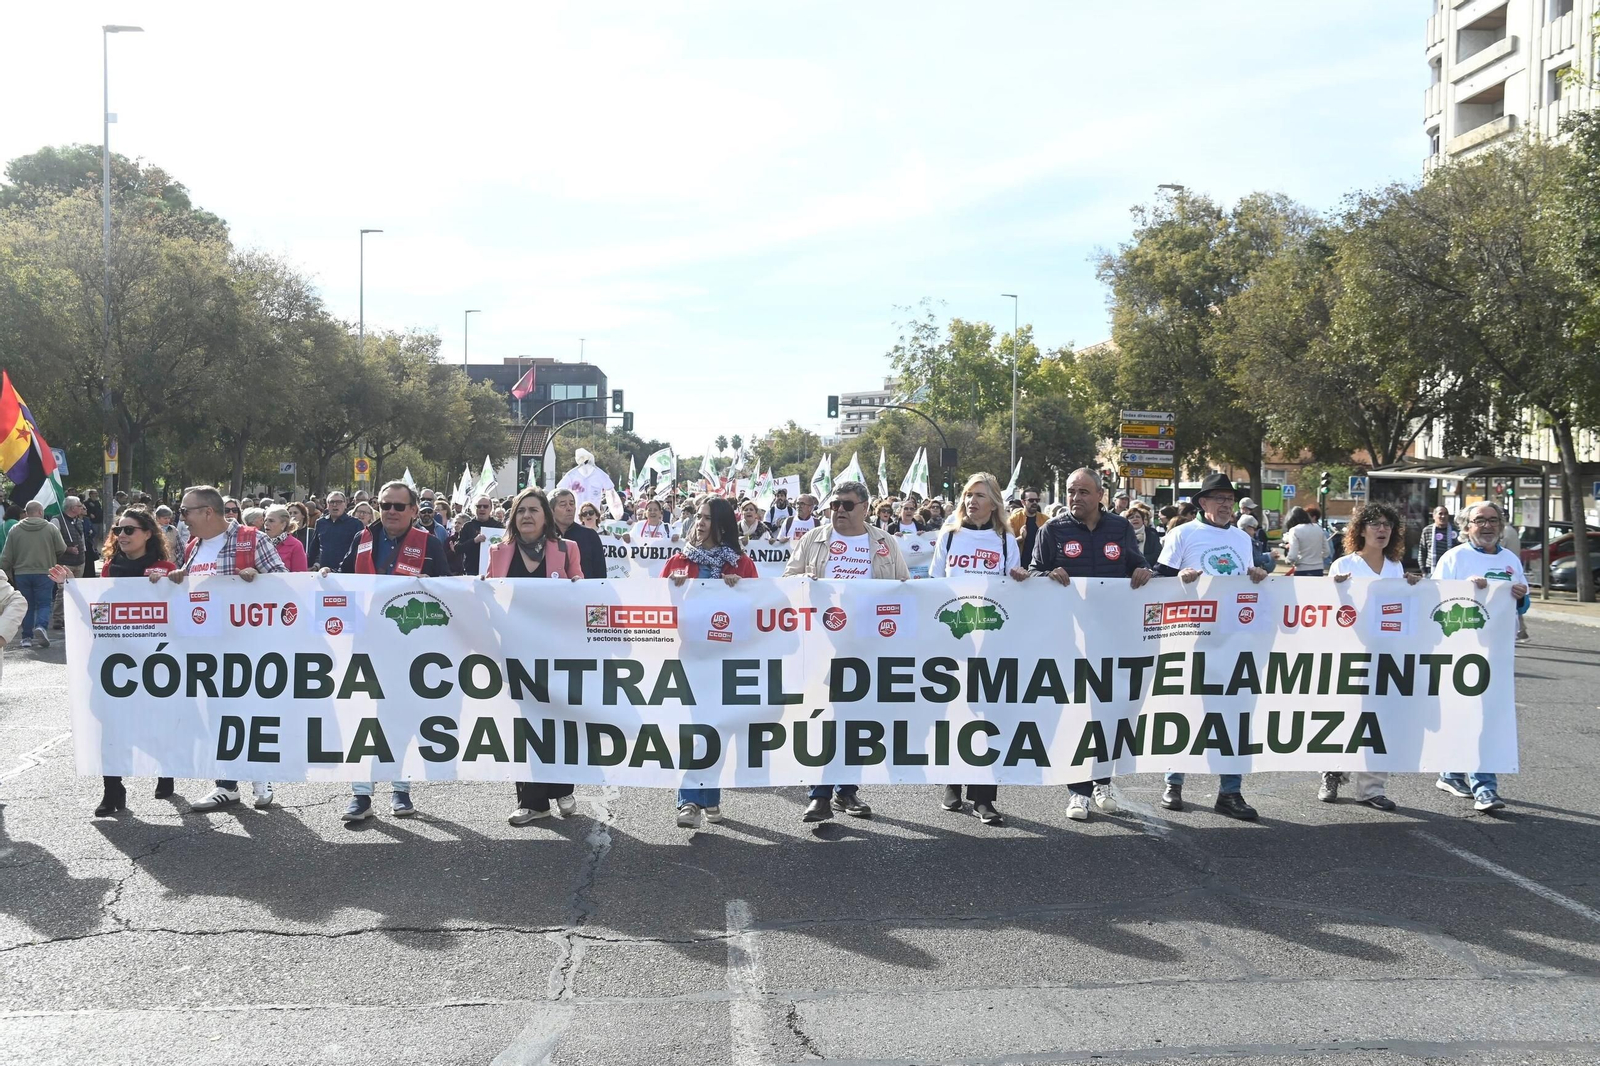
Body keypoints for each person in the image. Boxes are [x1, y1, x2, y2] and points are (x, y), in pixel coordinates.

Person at [320, 481, 450, 822]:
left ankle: (400, 789)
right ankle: (360, 796)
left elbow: (452, 591)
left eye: (398, 506)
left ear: (412, 510)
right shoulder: (362, 538)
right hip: (365, 644)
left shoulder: (430, 543)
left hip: (410, 646)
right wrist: (326, 576)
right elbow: (346, 575)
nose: (391, 511)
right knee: (363, 719)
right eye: (385, 505)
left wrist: (430, 585)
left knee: (401, 719)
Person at [1031, 468, 1153, 822]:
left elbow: (1137, 564)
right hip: (1071, 641)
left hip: (1113, 638)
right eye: (1071, 491)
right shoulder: (1052, 530)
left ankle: (1102, 780)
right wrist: (1045, 575)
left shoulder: (1120, 528)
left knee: (1109, 713)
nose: (1076, 498)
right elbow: (1034, 571)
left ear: (1100, 494)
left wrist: (1144, 571)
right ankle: (1077, 790)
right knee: (1077, 714)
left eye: (1084, 492)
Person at [783, 480, 908, 822]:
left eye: (847, 505)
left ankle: (847, 791)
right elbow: (788, 579)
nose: (839, 510)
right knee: (824, 717)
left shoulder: (884, 543)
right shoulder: (813, 540)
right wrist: (803, 582)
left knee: (856, 719)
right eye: (835, 504)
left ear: (865, 507)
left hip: (869, 644)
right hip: (823, 643)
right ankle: (818, 795)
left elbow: (904, 588)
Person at [163, 485, 287, 813]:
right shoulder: (193, 546)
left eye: (186, 511)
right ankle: (227, 785)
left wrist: (258, 575)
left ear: (208, 512)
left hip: (248, 645)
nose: (183, 517)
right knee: (217, 715)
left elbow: (286, 582)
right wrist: (179, 577)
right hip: (206, 647)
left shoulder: (252, 538)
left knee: (249, 711)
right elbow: (193, 593)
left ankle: (259, 772)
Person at [1153, 472, 1268, 820]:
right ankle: (1174, 783)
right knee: (1187, 711)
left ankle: (1230, 792)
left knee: (1234, 715)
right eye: (1219, 499)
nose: (1226, 506)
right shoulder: (1182, 534)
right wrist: (1178, 579)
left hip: (1234, 638)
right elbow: (1157, 581)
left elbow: (1246, 580)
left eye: (1230, 501)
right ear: (1203, 503)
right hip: (1191, 638)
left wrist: (1256, 577)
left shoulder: (1241, 538)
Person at [49, 508, 176, 815]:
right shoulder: (108, 569)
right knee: (110, 724)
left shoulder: (165, 568)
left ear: (148, 533)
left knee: (155, 721)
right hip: (112, 660)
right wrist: (72, 588)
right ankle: (113, 790)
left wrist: (168, 586)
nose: (122, 536)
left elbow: (178, 615)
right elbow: (96, 613)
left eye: (129, 530)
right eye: (118, 530)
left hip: (152, 661)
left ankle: (166, 768)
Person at [930, 473, 1030, 826]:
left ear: (994, 503)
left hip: (991, 638)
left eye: (980, 496)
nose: (972, 502)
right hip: (954, 637)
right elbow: (934, 584)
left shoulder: (1005, 540)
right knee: (954, 712)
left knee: (988, 714)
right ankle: (952, 782)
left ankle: (984, 794)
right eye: (968, 495)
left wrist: (1020, 577)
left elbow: (1012, 587)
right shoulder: (950, 535)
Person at [487, 487, 585, 826]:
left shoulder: (567, 548)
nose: (526, 516)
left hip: (557, 651)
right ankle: (532, 801)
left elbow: (582, 593)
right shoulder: (499, 552)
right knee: (525, 723)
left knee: (559, 720)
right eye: (520, 510)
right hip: (515, 652)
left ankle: (561, 786)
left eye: (533, 510)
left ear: (546, 516)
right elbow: (485, 595)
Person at [1315, 503, 1423, 812]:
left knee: (1379, 722)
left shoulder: (1395, 567)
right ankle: (1332, 773)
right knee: (1345, 717)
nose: (1382, 529)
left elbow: (1400, 609)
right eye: (1375, 524)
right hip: (1351, 655)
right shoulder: (1344, 566)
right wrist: (1332, 590)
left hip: (1386, 655)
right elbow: (1328, 610)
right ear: (1360, 530)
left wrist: (1411, 588)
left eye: (1388, 525)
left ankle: (1372, 788)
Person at [661, 496, 759, 828]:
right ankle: (689, 801)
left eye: (707, 518)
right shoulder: (678, 562)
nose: (699, 523)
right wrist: (672, 590)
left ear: (722, 526)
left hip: (727, 660)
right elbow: (657, 608)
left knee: (716, 730)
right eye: (697, 517)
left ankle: (710, 795)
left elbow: (760, 608)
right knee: (695, 728)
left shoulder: (741, 565)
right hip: (691, 656)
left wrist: (740, 591)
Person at [1433, 500, 1528, 813]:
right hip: (1461, 652)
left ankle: (1450, 773)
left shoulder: (1511, 559)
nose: (1487, 525)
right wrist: (1465, 589)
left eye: (1493, 519)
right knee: (1475, 715)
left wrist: (1519, 598)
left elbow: (1522, 605)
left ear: (1500, 525)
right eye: (1479, 520)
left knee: (1482, 715)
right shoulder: (1454, 558)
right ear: (1466, 526)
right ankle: (1485, 789)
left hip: (1497, 653)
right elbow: (1433, 600)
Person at [0, 501, 67, 649]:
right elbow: (62, 548)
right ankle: (41, 627)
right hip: (45, 571)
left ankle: (26, 637)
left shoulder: (15, 529)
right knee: (44, 603)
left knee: (26, 605)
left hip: (22, 573)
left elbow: (6, 556)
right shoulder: (50, 528)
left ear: (26, 513)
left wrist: (5, 571)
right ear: (40, 512)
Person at [49, 496, 88, 631]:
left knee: (76, 592)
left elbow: (81, 538)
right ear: (72, 508)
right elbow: (52, 540)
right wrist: (67, 549)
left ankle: (73, 616)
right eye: (79, 505)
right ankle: (58, 619)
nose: (81, 507)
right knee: (62, 592)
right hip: (65, 562)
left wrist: (84, 552)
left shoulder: (78, 521)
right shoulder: (57, 520)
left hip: (79, 561)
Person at [549, 488, 607, 579]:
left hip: (585, 591)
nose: (569, 508)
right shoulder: (543, 536)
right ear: (551, 510)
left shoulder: (590, 535)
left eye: (572, 504)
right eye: (563, 505)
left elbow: (600, 575)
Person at [314, 492, 364, 579]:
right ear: (327, 505)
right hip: (324, 574)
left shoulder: (355, 524)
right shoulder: (321, 523)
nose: (335, 505)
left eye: (339, 502)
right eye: (331, 502)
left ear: (345, 504)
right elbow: (314, 547)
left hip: (346, 574)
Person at [1008, 489, 1049, 567]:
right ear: (1023, 502)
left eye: (1037, 500)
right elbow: (1005, 544)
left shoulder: (1046, 520)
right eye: (1031, 500)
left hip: (1040, 567)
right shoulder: (1013, 520)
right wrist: (1020, 538)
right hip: (1019, 567)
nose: (1034, 503)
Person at [1283, 506, 1328, 577]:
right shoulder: (1318, 528)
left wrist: (1288, 560)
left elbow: (1293, 556)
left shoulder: (1294, 530)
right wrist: (1317, 558)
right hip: (1318, 568)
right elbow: (1327, 551)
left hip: (1302, 568)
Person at [261, 505, 308, 572]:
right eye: (265, 520)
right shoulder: (260, 543)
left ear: (283, 525)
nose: (266, 524)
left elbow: (300, 576)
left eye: (271, 521)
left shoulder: (295, 545)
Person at [1420, 506, 1455, 575]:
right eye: (1440, 514)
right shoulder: (1427, 530)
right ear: (1434, 516)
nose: (1443, 516)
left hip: (1451, 570)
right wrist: (1423, 570)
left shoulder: (1455, 531)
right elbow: (1422, 551)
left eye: (1446, 514)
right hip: (1431, 571)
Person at [286, 501, 320, 567]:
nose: (292, 516)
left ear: (303, 515)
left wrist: (316, 565)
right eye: (290, 513)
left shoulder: (312, 533)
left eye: (295, 513)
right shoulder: (284, 535)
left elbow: (319, 551)